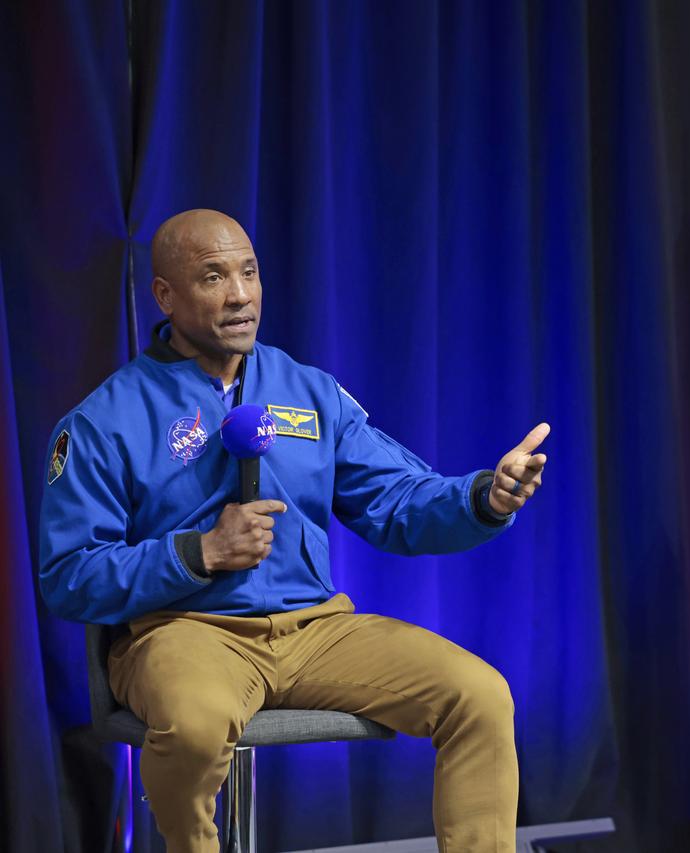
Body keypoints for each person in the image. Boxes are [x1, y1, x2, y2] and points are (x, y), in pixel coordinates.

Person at [38, 209, 545, 853]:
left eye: (249, 273)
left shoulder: (308, 391)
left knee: (479, 695)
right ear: (164, 295)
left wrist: (483, 497)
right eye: (213, 277)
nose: (240, 295)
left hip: (313, 631)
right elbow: (69, 575)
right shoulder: (103, 421)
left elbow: (396, 501)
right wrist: (198, 553)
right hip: (184, 632)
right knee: (195, 725)